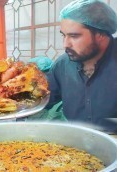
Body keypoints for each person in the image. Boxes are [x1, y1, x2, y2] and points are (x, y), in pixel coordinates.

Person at [47, 0, 117, 133]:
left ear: (101, 34)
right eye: (64, 35)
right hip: (77, 144)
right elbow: (43, 98)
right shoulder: (62, 65)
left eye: (74, 36)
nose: (65, 44)